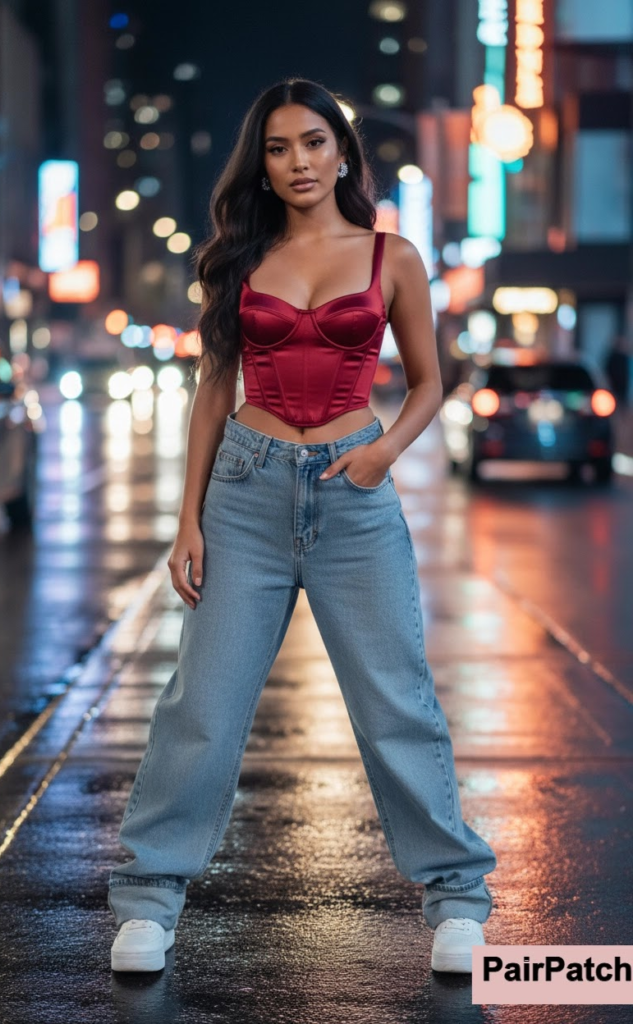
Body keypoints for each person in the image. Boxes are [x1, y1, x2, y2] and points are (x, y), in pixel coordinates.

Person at [108, 78, 497, 975]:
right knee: (200, 707)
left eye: (315, 143)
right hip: (245, 491)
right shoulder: (238, 259)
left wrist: (383, 452)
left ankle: (455, 900)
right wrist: (187, 521)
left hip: (353, 490)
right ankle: (150, 900)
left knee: (396, 701)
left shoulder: (391, 255)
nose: (298, 163)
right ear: (262, 162)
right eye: (279, 148)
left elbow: (430, 381)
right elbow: (214, 390)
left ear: (343, 153)